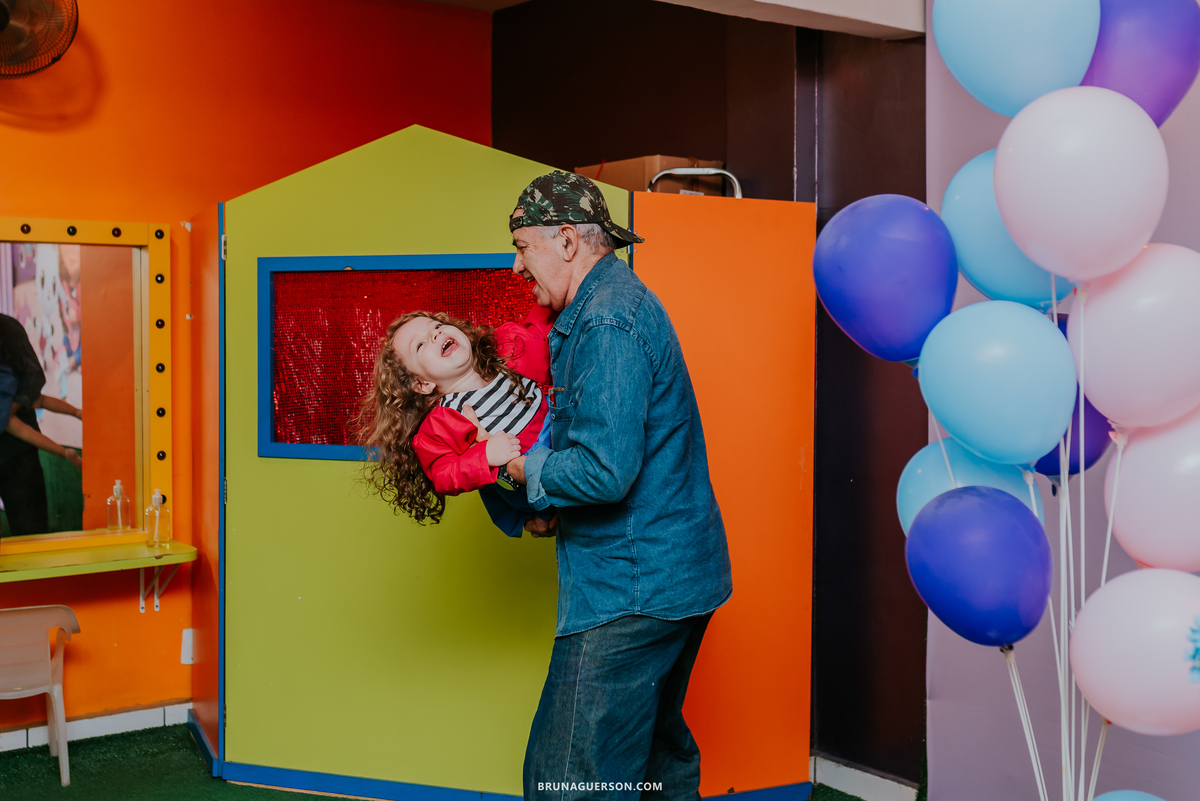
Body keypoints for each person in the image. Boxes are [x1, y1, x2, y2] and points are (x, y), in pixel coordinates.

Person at [502, 172, 733, 801]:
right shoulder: (611, 306)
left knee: (569, 778)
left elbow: (604, 471)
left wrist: (521, 468)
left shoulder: (606, 321)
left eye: (524, 246)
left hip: (632, 589)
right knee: (656, 760)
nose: (517, 264)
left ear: (569, 241)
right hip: (678, 575)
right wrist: (549, 505)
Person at [358, 306, 554, 537]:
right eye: (420, 345)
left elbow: (544, 320)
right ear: (422, 385)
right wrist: (486, 456)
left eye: (437, 326)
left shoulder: (507, 354)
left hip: (563, 439)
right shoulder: (441, 422)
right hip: (533, 482)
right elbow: (443, 474)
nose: (435, 334)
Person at [0, 313, 82, 536]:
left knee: (30, 533)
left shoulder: (5, 327)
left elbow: (34, 379)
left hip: (15, 452)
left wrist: (11, 407)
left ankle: (67, 442)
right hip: (11, 425)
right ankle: (65, 449)